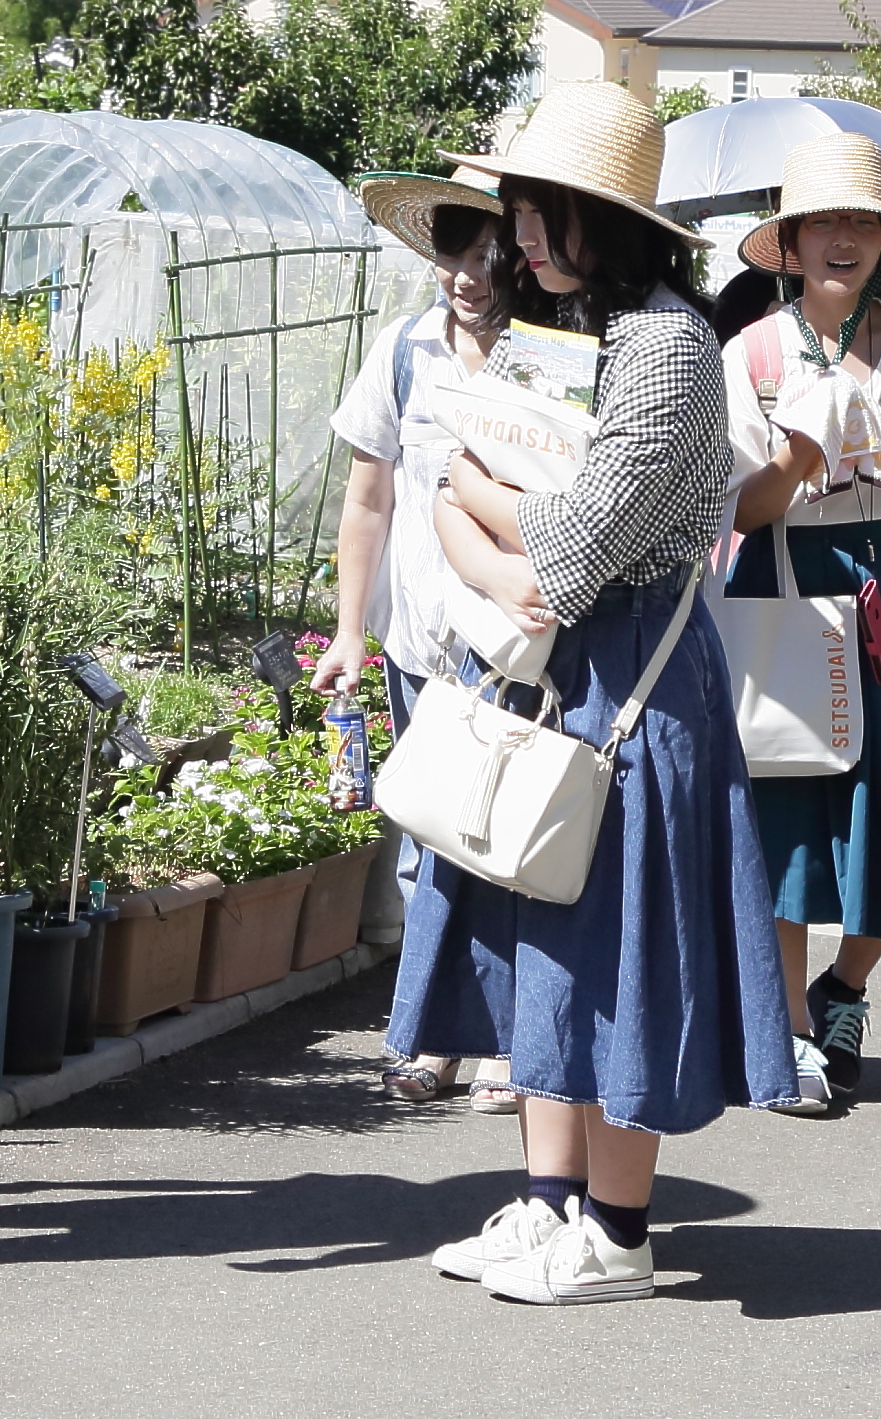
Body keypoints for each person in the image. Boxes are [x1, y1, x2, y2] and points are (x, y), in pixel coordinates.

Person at [387, 81, 794, 1306]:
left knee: (623, 954)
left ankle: (618, 1231)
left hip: (631, 676)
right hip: (549, 670)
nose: (511, 239)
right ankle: (549, 1203)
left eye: (532, 213)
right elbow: (455, 491)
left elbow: (572, 545)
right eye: (510, 213)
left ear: (596, 218)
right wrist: (491, 531)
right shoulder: (562, 334)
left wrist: (489, 517)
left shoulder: (668, 343)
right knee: (537, 947)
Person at [721, 131, 881, 1115]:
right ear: (787, 242)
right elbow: (742, 508)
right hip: (785, 578)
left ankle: (846, 987)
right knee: (789, 807)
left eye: (858, 222)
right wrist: (794, 458)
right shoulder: (749, 353)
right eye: (818, 221)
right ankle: (786, 1036)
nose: (840, 239)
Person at [322, 170, 535, 1115]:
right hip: (421, 646)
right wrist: (346, 630)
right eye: (456, 251)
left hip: (522, 645)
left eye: (492, 254)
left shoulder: (548, 357)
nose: (471, 275)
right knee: (427, 843)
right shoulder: (402, 351)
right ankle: (432, 1036)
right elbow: (367, 500)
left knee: (510, 843)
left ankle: (505, 1042)